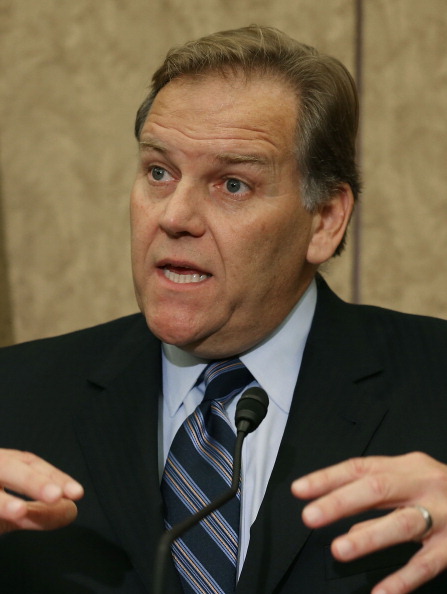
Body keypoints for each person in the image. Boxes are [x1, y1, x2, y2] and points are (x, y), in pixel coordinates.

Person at [0, 24, 447, 594]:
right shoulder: (13, 400)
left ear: (325, 219)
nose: (174, 216)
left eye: (232, 184)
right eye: (159, 172)